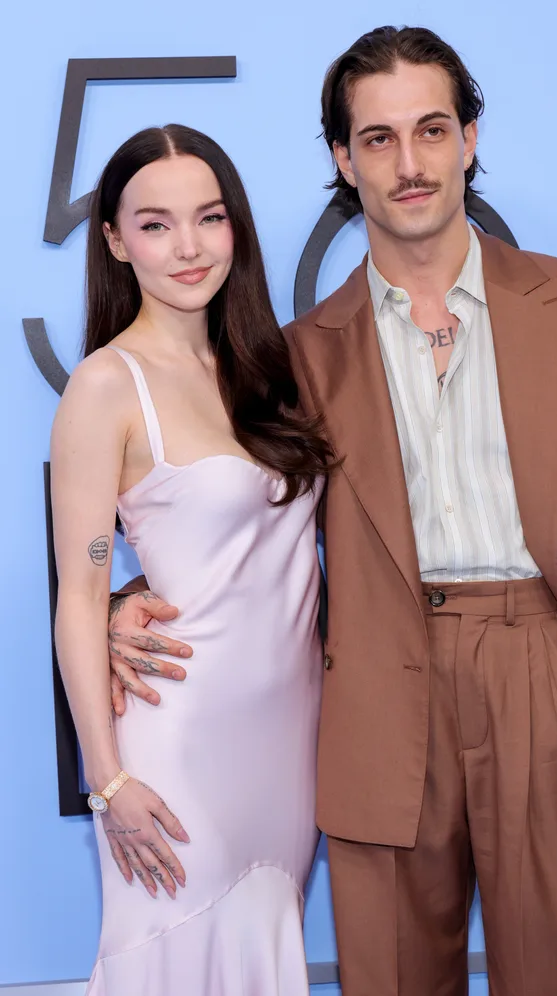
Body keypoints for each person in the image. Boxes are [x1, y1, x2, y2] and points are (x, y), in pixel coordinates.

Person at [105, 29, 557, 996]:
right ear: (343, 161)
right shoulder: (292, 357)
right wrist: (120, 598)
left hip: (544, 673)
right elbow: (219, 506)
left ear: (470, 138)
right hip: (375, 699)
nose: (410, 162)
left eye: (431, 129)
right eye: (377, 139)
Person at [51, 123, 333, 995]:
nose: (188, 246)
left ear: (236, 229)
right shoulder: (105, 385)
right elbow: (79, 592)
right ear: (114, 241)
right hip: (177, 748)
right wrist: (108, 783)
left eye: (208, 219)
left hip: (288, 745)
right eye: (156, 223)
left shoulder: (269, 368)